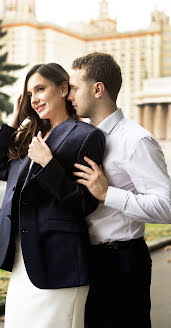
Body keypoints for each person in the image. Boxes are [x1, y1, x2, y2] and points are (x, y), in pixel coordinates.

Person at [0, 62, 105, 328]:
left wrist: (48, 164)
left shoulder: (86, 136)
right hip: (22, 260)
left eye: (40, 89)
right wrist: (15, 121)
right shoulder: (30, 135)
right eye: (30, 94)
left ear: (63, 88)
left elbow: (84, 203)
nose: (34, 99)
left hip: (59, 262)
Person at [67, 52, 171, 328]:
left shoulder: (137, 141)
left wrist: (107, 193)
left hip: (122, 262)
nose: (69, 95)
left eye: (75, 88)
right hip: (86, 260)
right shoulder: (82, 138)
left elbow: (167, 206)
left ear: (98, 89)